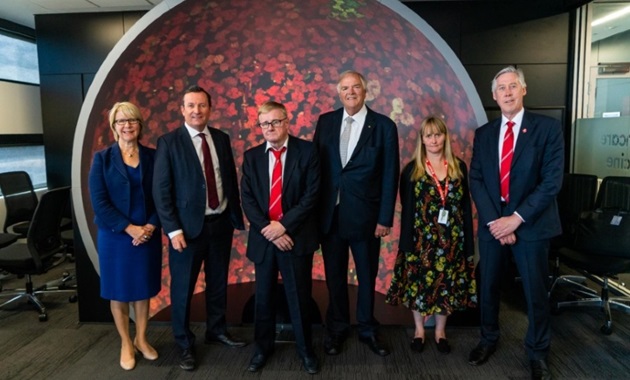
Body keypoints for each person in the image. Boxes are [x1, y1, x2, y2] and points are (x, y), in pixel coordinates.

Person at [468, 66, 564, 380]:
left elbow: (551, 182)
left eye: (513, 87)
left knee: (535, 293)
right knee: (489, 287)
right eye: (502, 88)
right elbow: (477, 179)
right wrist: (498, 221)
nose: (507, 93)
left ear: (523, 90)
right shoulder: (483, 134)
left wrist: (515, 220)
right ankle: (488, 338)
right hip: (494, 226)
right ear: (493, 96)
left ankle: (537, 352)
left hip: (531, 226)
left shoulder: (547, 129)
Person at [153, 85, 246, 371]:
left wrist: (233, 216)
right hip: (186, 232)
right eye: (191, 105)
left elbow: (227, 178)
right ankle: (184, 343)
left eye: (202, 105)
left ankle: (216, 331)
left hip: (220, 225)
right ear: (182, 109)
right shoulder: (169, 142)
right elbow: (161, 190)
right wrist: (173, 230)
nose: (197, 111)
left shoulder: (220, 138)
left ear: (210, 108)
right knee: (182, 290)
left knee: (218, 284)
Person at [313, 70, 400, 357]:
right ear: (339, 92)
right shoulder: (325, 122)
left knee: (366, 277)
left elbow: (390, 174)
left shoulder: (384, 126)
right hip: (330, 215)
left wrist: (385, 218)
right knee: (334, 277)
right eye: (345, 88)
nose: (351, 92)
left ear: (365, 91)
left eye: (356, 87)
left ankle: (366, 328)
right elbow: (316, 169)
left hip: (366, 217)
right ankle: (336, 329)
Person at [240, 101, 321, 375]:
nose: (270, 128)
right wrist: (270, 231)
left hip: (296, 238)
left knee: (298, 298)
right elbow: (248, 200)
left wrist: (283, 226)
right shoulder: (251, 157)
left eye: (275, 122)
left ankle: (305, 351)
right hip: (265, 240)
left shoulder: (308, 152)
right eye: (265, 123)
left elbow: (312, 196)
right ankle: (262, 349)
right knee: (263, 299)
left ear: (287, 122)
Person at [385, 116, 476, 355]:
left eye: (438, 134)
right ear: (422, 139)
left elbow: (465, 205)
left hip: (451, 241)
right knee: (418, 287)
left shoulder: (458, 167)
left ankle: (440, 332)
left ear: (445, 136)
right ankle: (418, 330)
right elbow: (406, 205)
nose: (434, 139)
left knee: (446, 286)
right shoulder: (411, 170)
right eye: (428, 135)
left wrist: (466, 240)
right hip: (420, 241)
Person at [88, 101, 161, 371]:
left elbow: (162, 197)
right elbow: (100, 202)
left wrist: (151, 226)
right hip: (116, 236)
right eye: (121, 121)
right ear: (113, 127)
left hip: (148, 233)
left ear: (139, 124)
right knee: (118, 292)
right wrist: (129, 228)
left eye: (131, 120)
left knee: (142, 290)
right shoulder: (102, 159)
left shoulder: (154, 157)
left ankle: (142, 338)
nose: (127, 125)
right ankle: (125, 342)